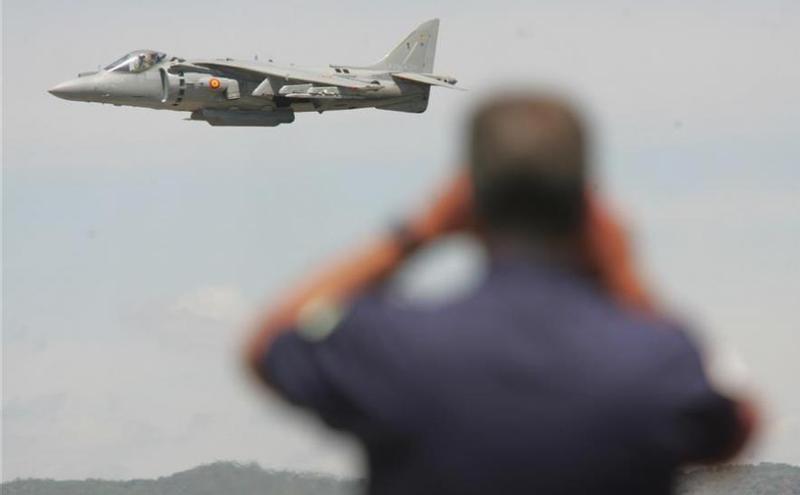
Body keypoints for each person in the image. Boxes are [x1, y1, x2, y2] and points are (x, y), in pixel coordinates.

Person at [243, 94, 758, 495]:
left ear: (465, 198)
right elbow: (736, 426)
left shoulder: (392, 344)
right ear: (587, 203)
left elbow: (270, 342)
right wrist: (623, 268)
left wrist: (415, 233)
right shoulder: (657, 356)